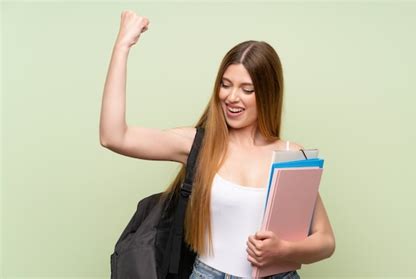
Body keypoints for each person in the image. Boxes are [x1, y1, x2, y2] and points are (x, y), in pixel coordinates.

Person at [100, 10, 336, 279]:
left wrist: (283, 250)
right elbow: (113, 136)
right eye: (225, 85)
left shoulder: (291, 155)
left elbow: (326, 241)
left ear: (268, 94)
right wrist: (122, 46)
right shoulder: (198, 144)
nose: (232, 97)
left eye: (247, 89)